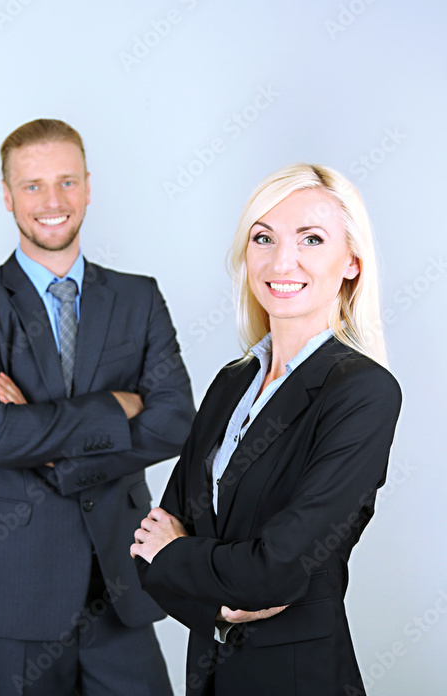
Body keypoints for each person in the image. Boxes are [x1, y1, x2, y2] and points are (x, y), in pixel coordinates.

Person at [0, 118, 194, 695]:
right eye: (32, 186)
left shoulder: (139, 296)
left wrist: (54, 449)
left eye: (66, 182)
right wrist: (116, 406)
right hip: (14, 589)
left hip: (121, 581)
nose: (52, 202)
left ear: (87, 186)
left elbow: (177, 421)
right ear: (6, 196)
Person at [131, 163, 402, 696]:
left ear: (351, 262)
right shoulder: (231, 384)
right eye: (264, 238)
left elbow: (276, 570)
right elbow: (145, 553)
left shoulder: (362, 392)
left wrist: (178, 556)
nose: (283, 260)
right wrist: (220, 598)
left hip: (296, 679)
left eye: (312, 239)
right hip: (208, 676)